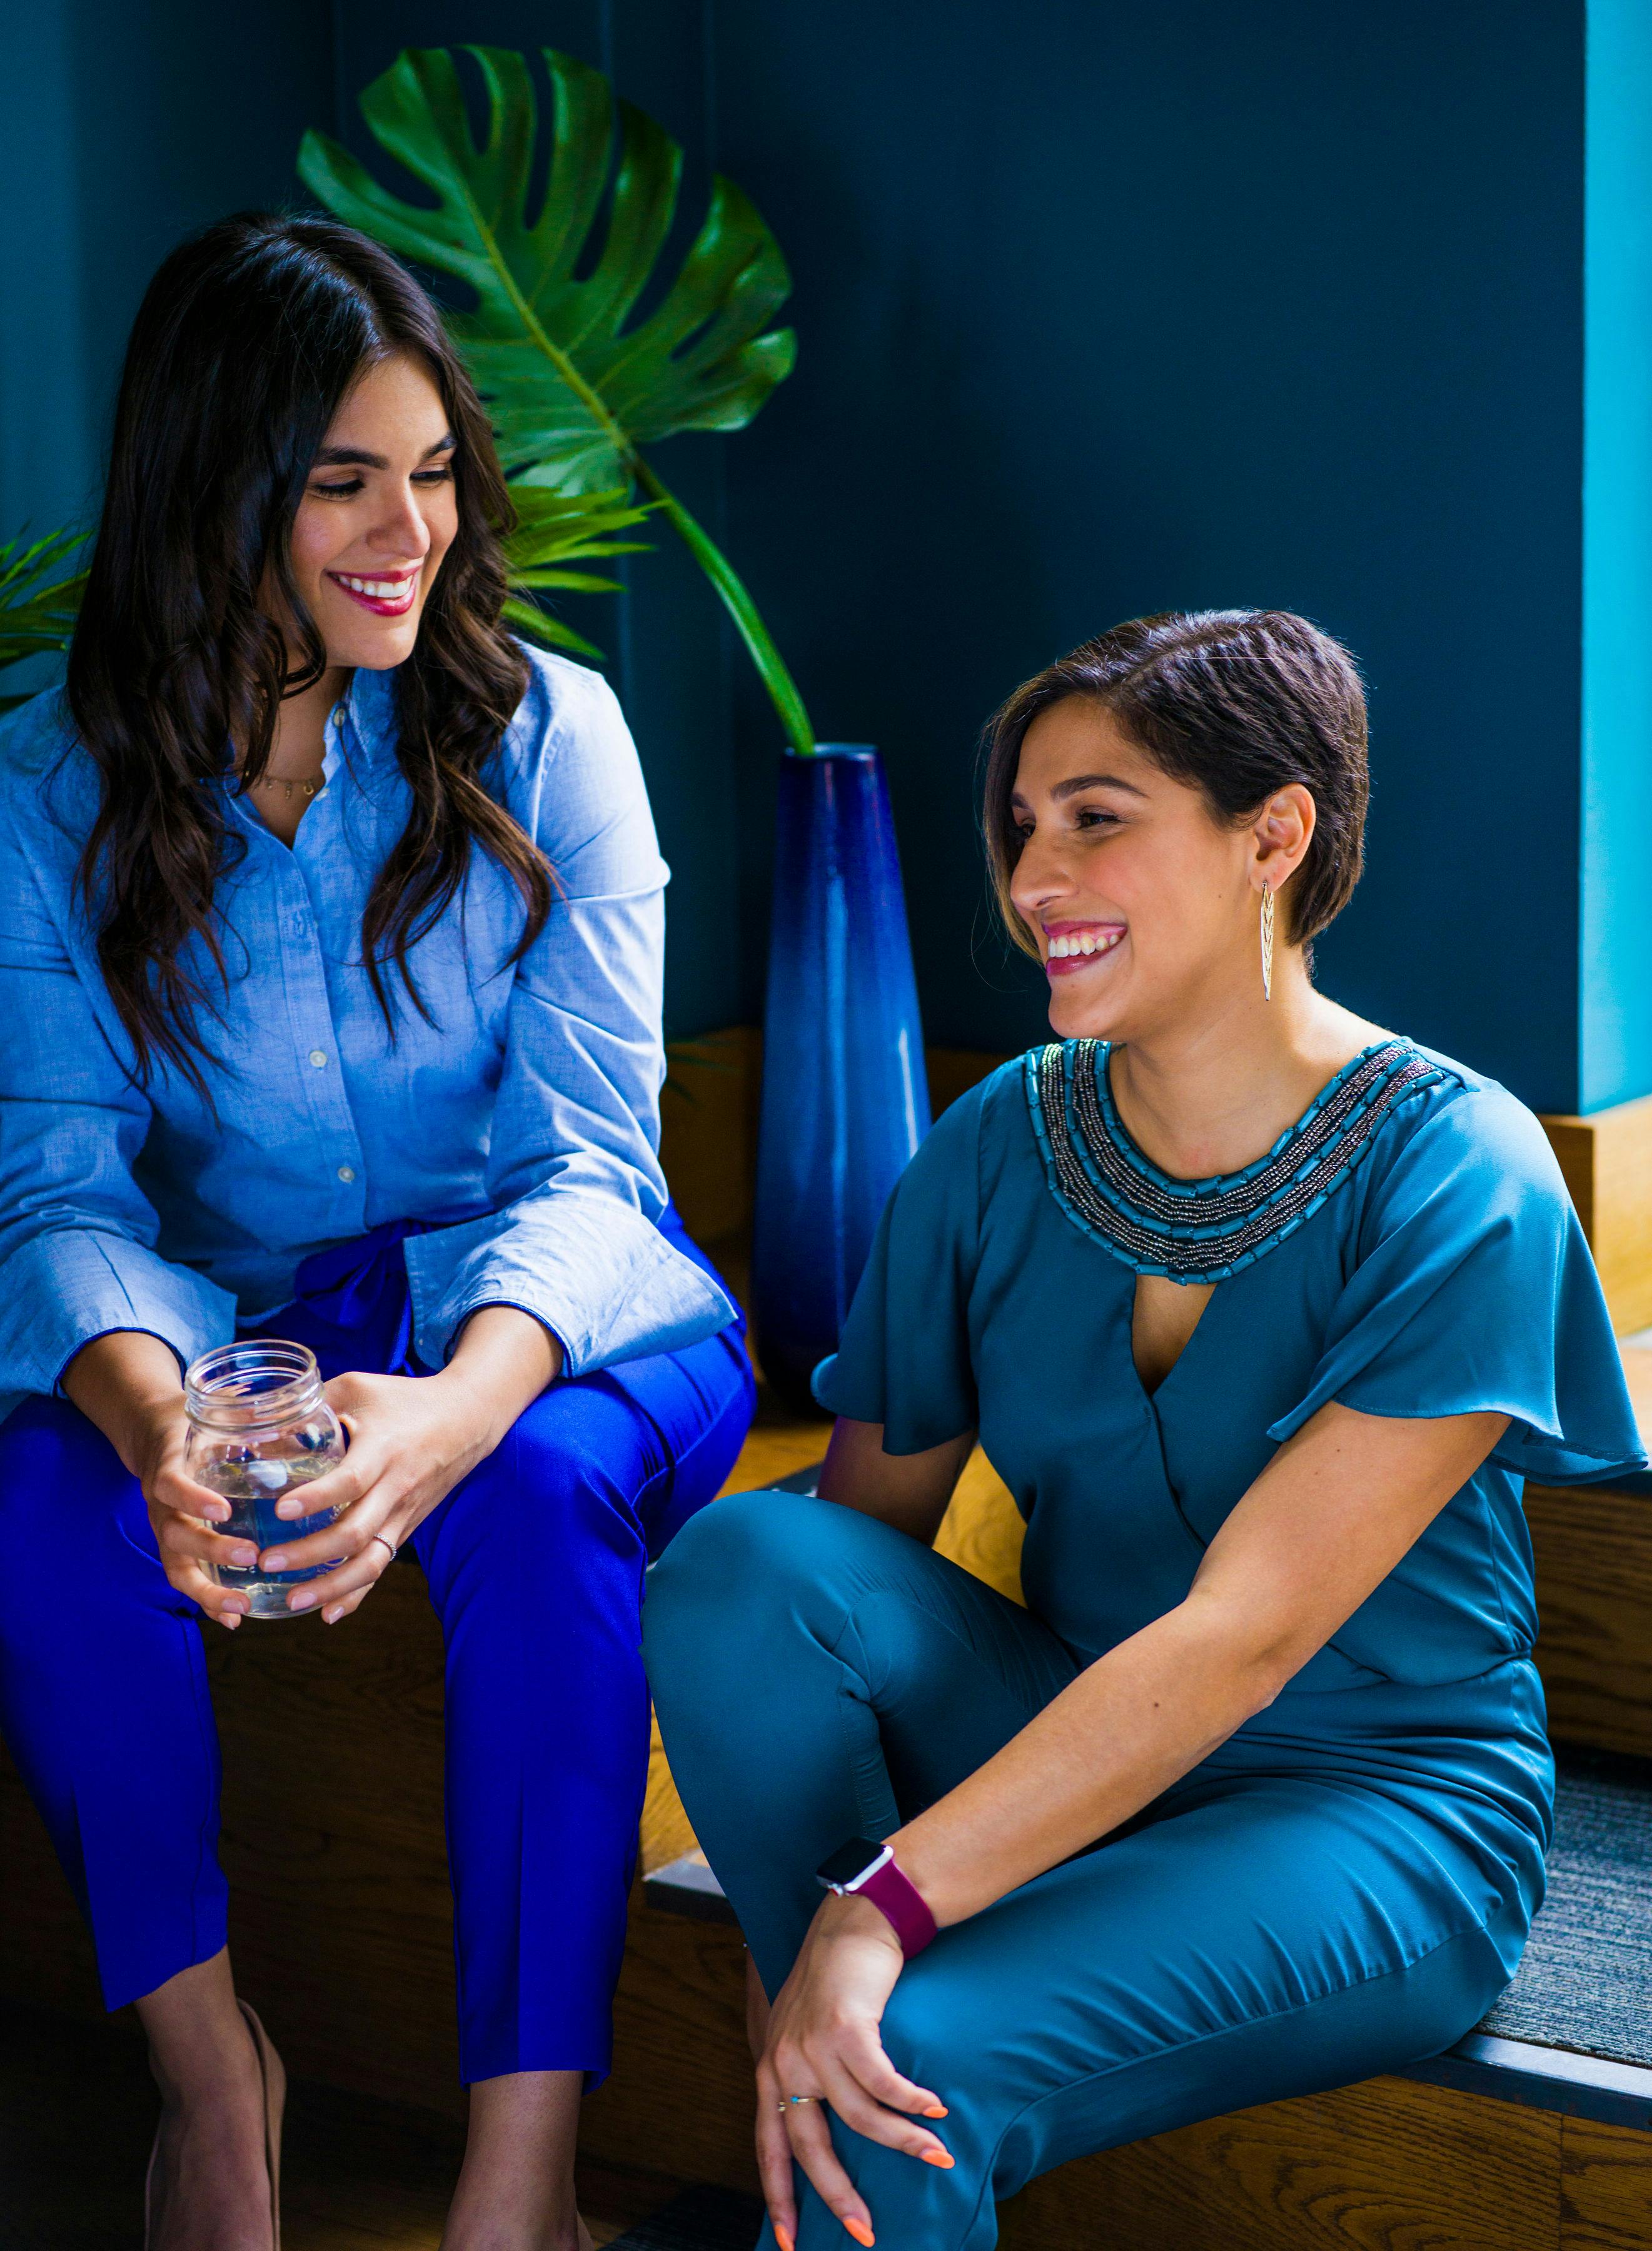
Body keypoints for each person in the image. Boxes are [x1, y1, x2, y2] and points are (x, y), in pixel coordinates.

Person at [643, 610, 1647, 2251]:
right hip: (1067, 1742)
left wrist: (882, 1903)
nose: (1033, 874)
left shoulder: (1457, 1172)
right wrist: (860, 1900)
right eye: (1019, 825)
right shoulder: (991, 1148)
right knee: (747, 1559)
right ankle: (838, 2086)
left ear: (1274, 834)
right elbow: (845, 1569)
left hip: (1369, 1812)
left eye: (1096, 818)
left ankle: (860, 2092)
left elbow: (1243, 1640)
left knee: (916, 2054)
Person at [0, 213, 753, 2251]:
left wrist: (438, 1416)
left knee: (526, 1488)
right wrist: (163, 1427)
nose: (403, 530)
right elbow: (58, 1184)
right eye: (341, 482)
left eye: (430, 474)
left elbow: (597, 1168)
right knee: (45, 1507)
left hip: (563, 1321)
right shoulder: (41, 784)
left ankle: (519, 2184)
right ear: (210, 485)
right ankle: (208, 2092)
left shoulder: (552, 734)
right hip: (227, 1328)